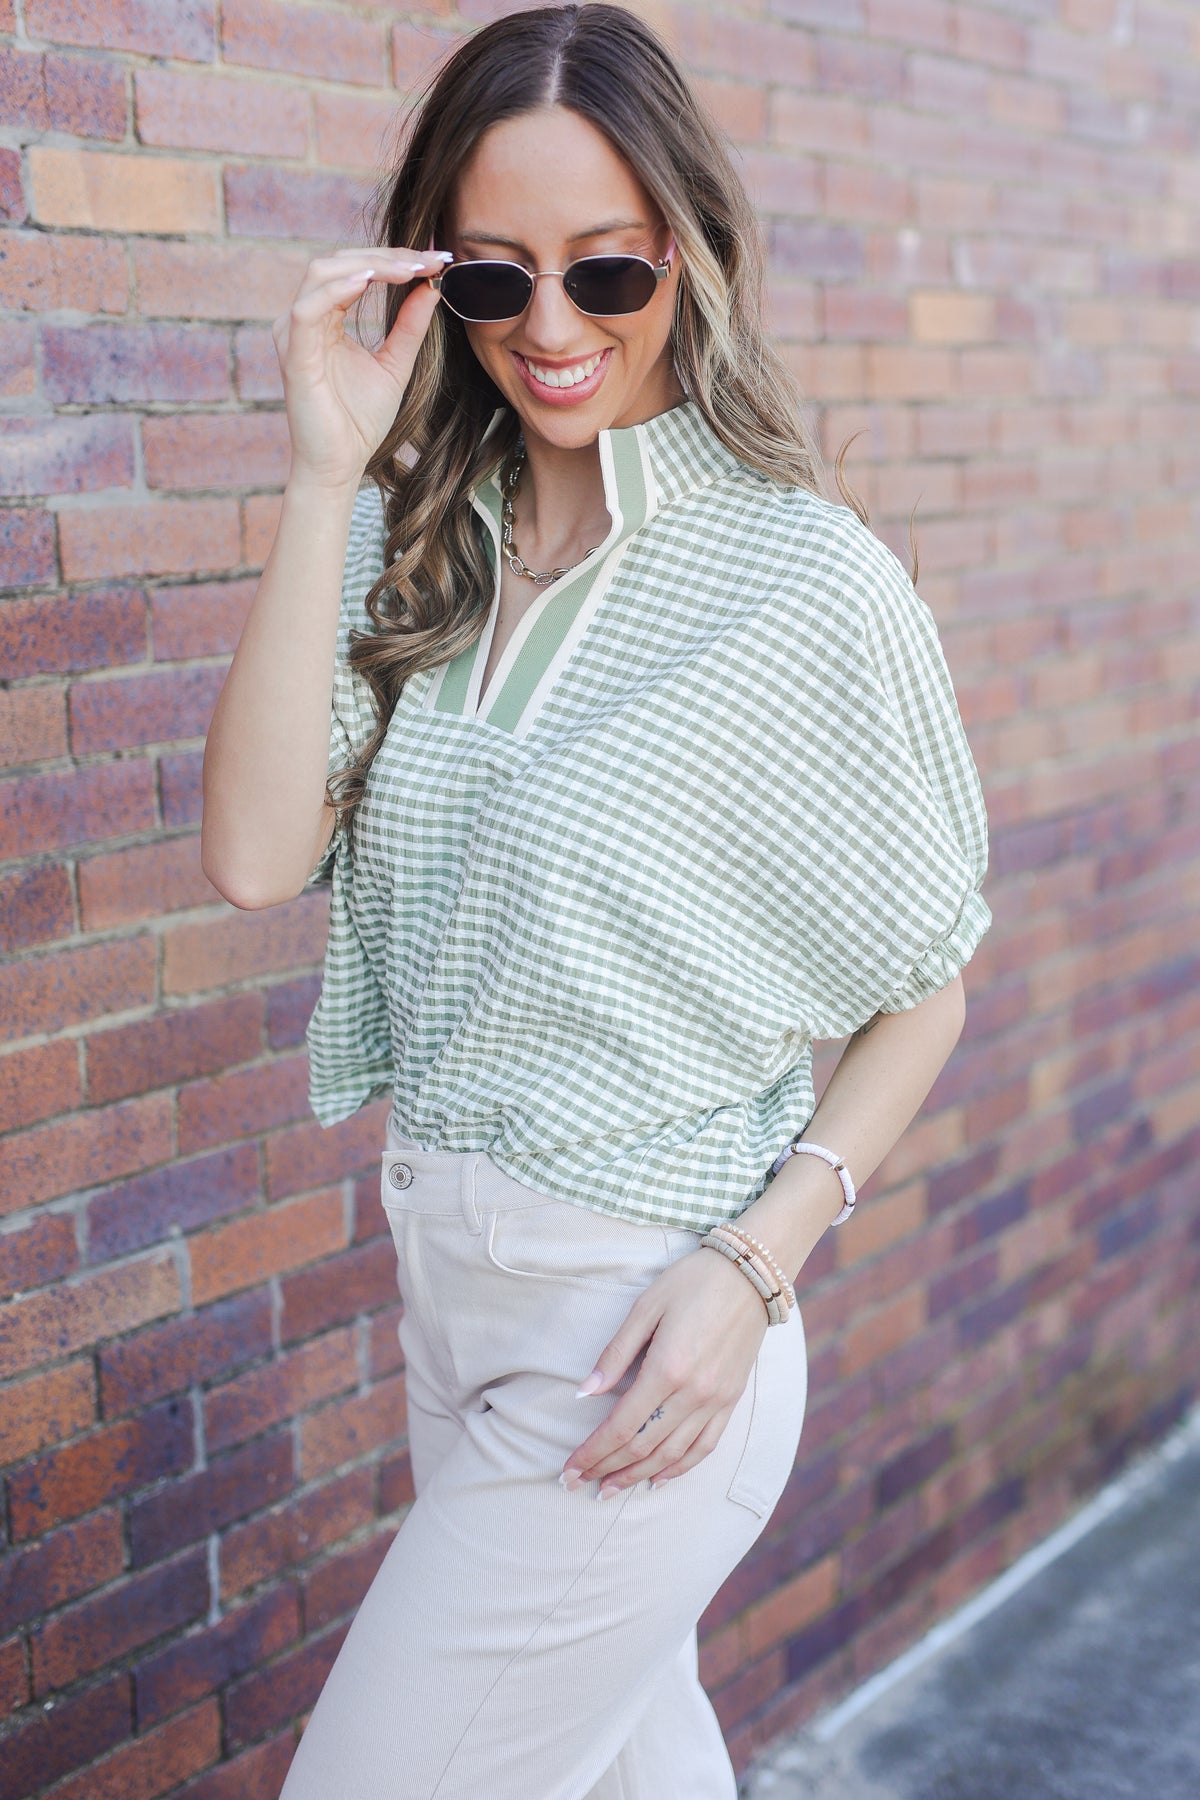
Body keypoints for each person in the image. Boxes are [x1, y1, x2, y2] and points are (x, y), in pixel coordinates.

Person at [200, 6, 992, 1796]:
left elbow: (926, 983)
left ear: (690, 255)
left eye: (603, 273)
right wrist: (328, 468)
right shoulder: (429, 538)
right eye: (493, 280)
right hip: (452, 1303)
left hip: (639, 1341)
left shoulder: (805, 584)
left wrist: (748, 1272)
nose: (549, 333)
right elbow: (253, 855)